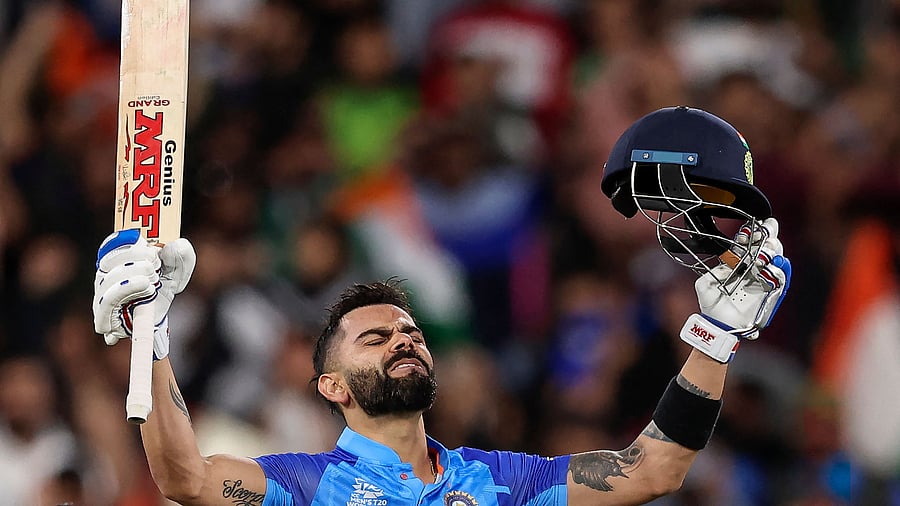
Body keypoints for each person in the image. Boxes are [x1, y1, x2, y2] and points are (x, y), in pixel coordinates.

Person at [92, 110, 791, 505]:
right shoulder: (303, 485)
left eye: (410, 330)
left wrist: (719, 335)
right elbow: (184, 478)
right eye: (373, 338)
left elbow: (654, 470)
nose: (403, 337)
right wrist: (147, 336)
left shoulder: (499, 482)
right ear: (330, 387)